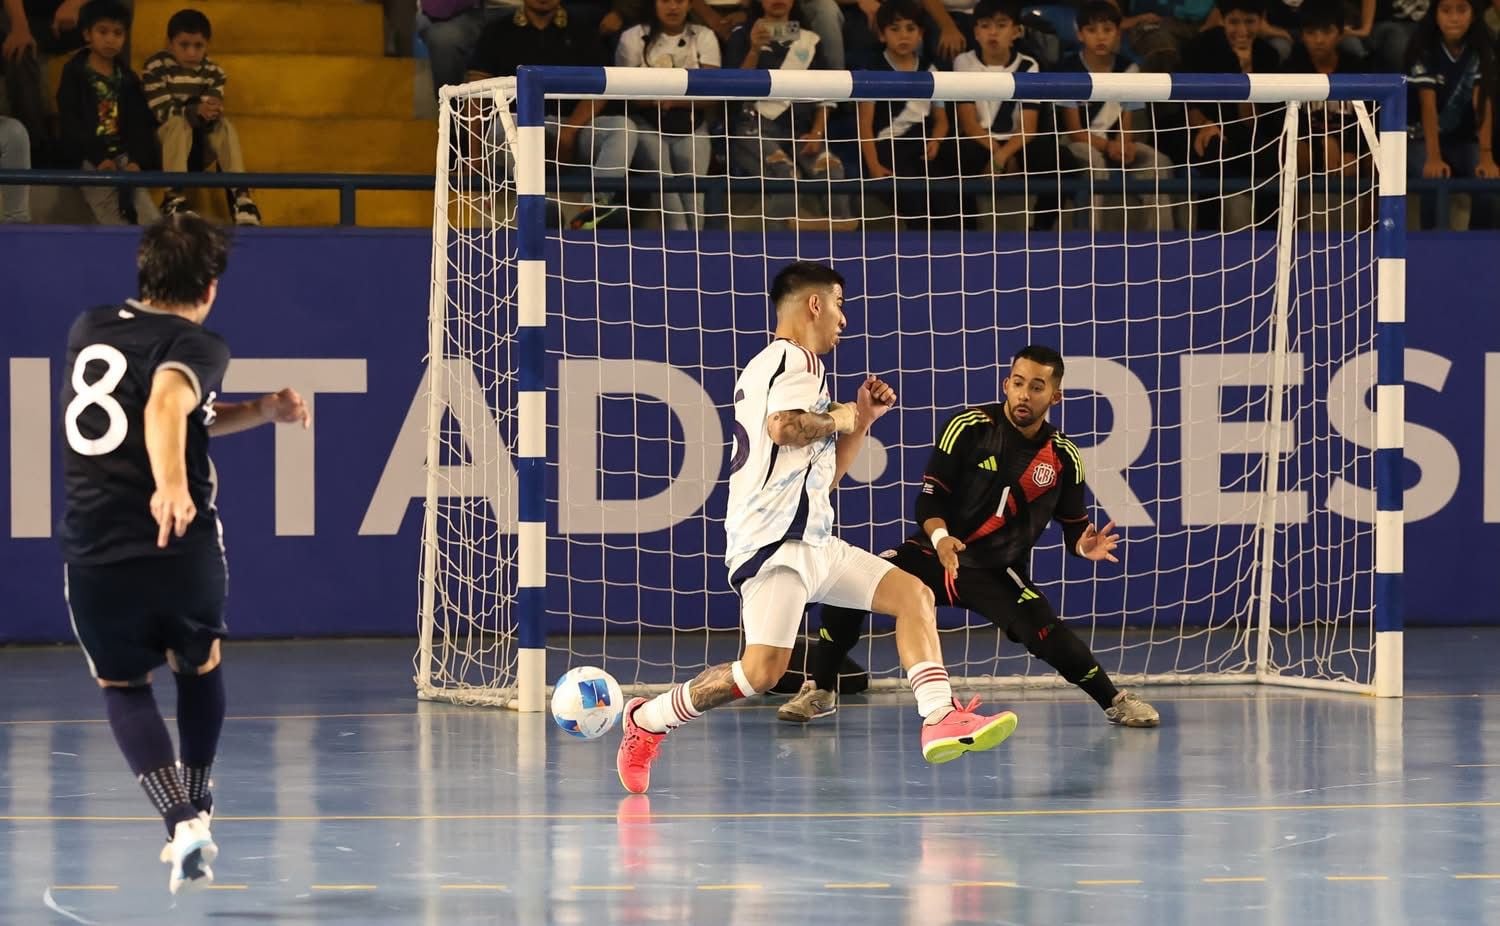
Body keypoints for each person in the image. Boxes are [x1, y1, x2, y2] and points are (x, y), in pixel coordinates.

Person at [615, 262, 1021, 794]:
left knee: (913, 595)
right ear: (814, 305)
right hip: (774, 546)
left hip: (814, 541)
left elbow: (821, 477)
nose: (843, 320)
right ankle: (647, 721)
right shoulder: (793, 360)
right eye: (838, 305)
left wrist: (862, 419)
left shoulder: (783, 371)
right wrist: (841, 417)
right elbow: (784, 429)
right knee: (759, 673)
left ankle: (938, 716)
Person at [58, 214, 311, 894]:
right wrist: (171, 486)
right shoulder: (196, 342)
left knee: (124, 685)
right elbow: (168, 403)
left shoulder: (89, 328)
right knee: (198, 662)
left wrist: (260, 411)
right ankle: (198, 798)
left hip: (95, 547)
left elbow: (184, 413)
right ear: (209, 287)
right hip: (178, 540)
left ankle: (181, 822)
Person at [778, 345, 1161, 729]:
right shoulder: (969, 427)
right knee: (848, 593)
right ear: (1006, 384)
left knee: (1046, 632)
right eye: (1018, 382)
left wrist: (1084, 544)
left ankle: (1114, 700)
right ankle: (821, 689)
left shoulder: (1063, 457)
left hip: (996, 569)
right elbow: (930, 499)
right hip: (932, 553)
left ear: (1055, 396)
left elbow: (1074, 524)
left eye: (1037, 387)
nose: (1025, 394)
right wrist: (942, 539)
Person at [141, 8, 262, 225]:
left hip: (198, 145)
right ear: (170, 44)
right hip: (163, 145)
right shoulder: (155, 67)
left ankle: (242, 198)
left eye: (198, 46)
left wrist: (209, 112)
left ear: (207, 44)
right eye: (184, 45)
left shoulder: (214, 72)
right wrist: (195, 110)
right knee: (178, 122)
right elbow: (162, 112)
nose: (191, 53)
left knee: (223, 125)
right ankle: (174, 197)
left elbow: (211, 111)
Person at [615, 0, 720, 231]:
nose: (673, 7)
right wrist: (657, 101)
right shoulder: (632, 37)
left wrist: (672, 101)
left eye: (679, 1)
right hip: (646, 123)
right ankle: (679, 243)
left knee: (694, 195)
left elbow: (713, 94)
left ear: (690, 5)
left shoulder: (704, 36)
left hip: (692, 123)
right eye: (665, 1)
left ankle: (695, 249)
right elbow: (625, 93)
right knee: (665, 184)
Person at [56, 0, 161, 224]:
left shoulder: (128, 78)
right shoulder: (75, 72)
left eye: (118, 33)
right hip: (88, 156)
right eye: (103, 32)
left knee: (150, 219)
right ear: (87, 35)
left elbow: (140, 123)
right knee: (112, 218)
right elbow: (71, 121)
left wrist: (136, 160)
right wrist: (98, 157)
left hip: (123, 155)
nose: (111, 39)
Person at [1406, 0, 1499, 228]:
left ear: (1473, 14)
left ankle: (1479, 245)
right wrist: (1434, 157)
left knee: (1487, 183)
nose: (1454, 18)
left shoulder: (1483, 48)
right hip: (1420, 138)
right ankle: (1433, 241)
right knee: (1432, 177)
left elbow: (1483, 102)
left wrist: (1486, 155)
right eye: (1446, 11)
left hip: (1464, 139)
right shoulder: (1423, 47)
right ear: (1435, 14)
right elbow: (1427, 106)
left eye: (1461, 10)